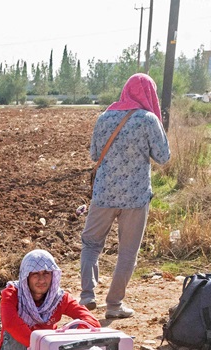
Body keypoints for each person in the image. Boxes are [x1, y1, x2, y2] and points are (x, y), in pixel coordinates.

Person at [79, 73, 170, 320]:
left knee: (91, 244)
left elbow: (94, 154)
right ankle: (114, 304)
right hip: (136, 197)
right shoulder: (148, 120)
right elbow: (163, 157)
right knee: (128, 252)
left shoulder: (105, 117)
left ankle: (87, 295)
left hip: (104, 194)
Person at [0, 250, 99, 350]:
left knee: (77, 326)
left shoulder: (59, 298)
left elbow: (92, 322)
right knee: (12, 332)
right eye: (35, 274)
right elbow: (10, 324)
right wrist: (39, 346)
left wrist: (63, 340)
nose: (41, 280)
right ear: (26, 276)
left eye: (46, 273)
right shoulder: (12, 293)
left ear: (53, 276)